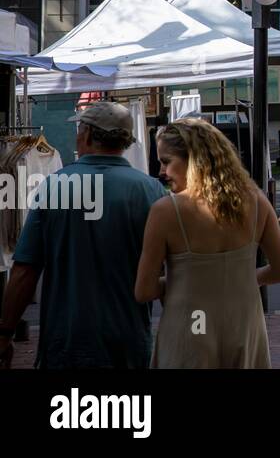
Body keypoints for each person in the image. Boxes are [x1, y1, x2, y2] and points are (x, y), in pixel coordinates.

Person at [0, 102, 166, 369]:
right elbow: (171, 270)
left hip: (67, 341)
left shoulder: (56, 187)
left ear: (87, 135)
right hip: (129, 340)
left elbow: (25, 270)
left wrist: (5, 332)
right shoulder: (151, 191)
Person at [135, 118, 280, 368]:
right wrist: (235, 279)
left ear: (194, 161)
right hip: (242, 327)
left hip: (188, 331)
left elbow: (143, 290)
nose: (161, 172)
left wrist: (188, 282)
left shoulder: (166, 211)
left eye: (166, 161)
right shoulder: (256, 201)